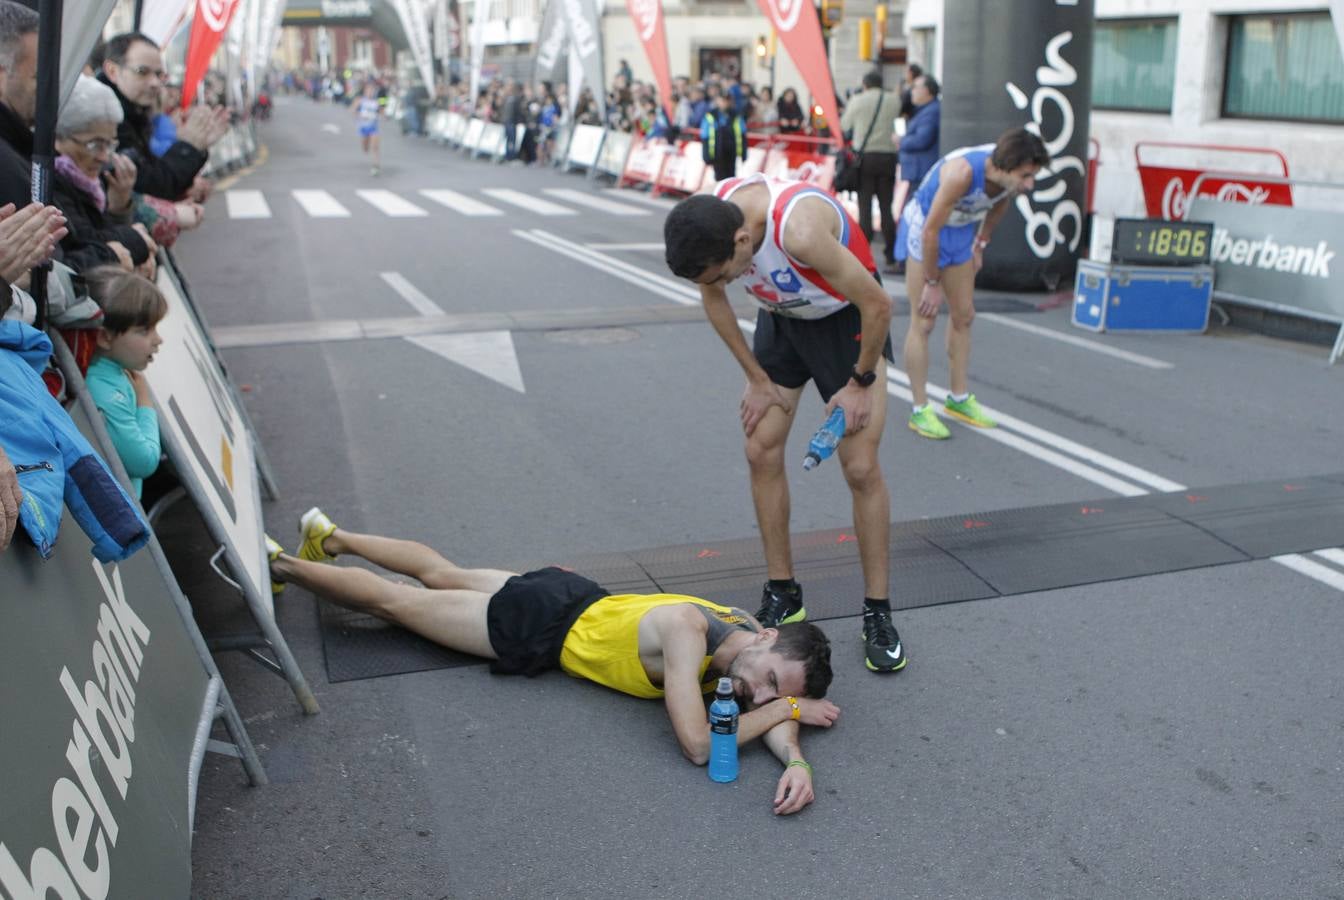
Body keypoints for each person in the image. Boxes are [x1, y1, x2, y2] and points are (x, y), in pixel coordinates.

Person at [269, 508, 840, 814]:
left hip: (571, 594)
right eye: (768, 682)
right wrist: (790, 704)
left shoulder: (741, 630)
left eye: (774, 692)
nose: (760, 695)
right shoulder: (689, 633)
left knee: (442, 573)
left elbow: (763, 706)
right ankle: (279, 566)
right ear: (766, 637)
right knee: (400, 603)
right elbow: (697, 744)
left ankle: (331, 534)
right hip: (542, 625)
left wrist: (796, 760)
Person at [663, 177, 906, 674]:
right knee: (760, 447)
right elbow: (713, 299)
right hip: (783, 322)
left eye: (726, 275)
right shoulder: (713, 218)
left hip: (848, 321)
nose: (723, 284)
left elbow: (879, 303)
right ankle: (783, 591)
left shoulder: (799, 231)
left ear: (743, 243)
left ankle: (877, 612)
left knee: (859, 468)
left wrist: (860, 382)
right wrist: (756, 378)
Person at [901, 127, 1050, 440]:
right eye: (1025, 176)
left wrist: (980, 244)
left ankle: (957, 400)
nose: (1030, 184)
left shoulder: (1008, 182)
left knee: (964, 315)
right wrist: (932, 280)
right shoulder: (962, 174)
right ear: (1006, 166)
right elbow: (930, 232)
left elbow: (999, 204)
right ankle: (919, 409)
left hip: (961, 231)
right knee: (924, 321)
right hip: (927, 228)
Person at [97, 32, 229, 202]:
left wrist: (187, 187)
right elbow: (148, 186)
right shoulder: (103, 118)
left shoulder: (134, 112)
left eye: (159, 75)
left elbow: (154, 177)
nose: (155, 83)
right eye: (142, 72)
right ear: (113, 71)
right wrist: (188, 146)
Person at [51, 74, 158, 277]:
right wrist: (134, 240)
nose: (104, 156)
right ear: (58, 136)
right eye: (95, 144)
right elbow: (83, 240)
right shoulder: (47, 181)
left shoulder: (94, 179)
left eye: (110, 144)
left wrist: (119, 206)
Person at [83, 267, 165, 498]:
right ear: (105, 337)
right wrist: (145, 403)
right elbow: (144, 461)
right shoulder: (105, 393)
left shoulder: (109, 373)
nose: (158, 340)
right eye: (144, 331)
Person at [840, 70, 901, 274]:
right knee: (886, 208)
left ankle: (863, 256)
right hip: (888, 157)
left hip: (865, 159)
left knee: (864, 207)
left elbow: (844, 125)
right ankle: (891, 256)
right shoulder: (894, 100)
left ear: (865, 84)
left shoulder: (858, 100)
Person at [893, 73, 941, 275]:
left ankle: (906, 259)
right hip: (918, 171)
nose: (912, 91)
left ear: (928, 91)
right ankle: (905, 258)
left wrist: (901, 141)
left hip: (922, 172)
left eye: (916, 87)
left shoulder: (931, 112)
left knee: (913, 216)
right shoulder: (925, 111)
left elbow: (923, 139)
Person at [700, 91, 746, 182]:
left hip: (731, 151)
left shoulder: (736, 116)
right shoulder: (710, 116)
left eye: (726, 101)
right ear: (717, 101)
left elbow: (742, 134)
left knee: (731, 176)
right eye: (722, 100)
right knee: (719, 177)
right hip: (717, 152)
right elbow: (705, 136)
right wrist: (706, 154)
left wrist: (743, 153)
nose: (724, 103)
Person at [354, 81, 382, 174]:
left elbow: (382, 113)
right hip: (363, 127)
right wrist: (361, 114)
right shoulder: (360, 100)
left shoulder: (376, 102)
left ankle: (375, 166)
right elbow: (352, 110)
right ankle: (365, 147)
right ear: (365, 91)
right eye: (368, 90)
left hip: (373, 127)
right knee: (365, 148)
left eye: (372, 90)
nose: (370, 92)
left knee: (375, 147)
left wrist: (380, 115)